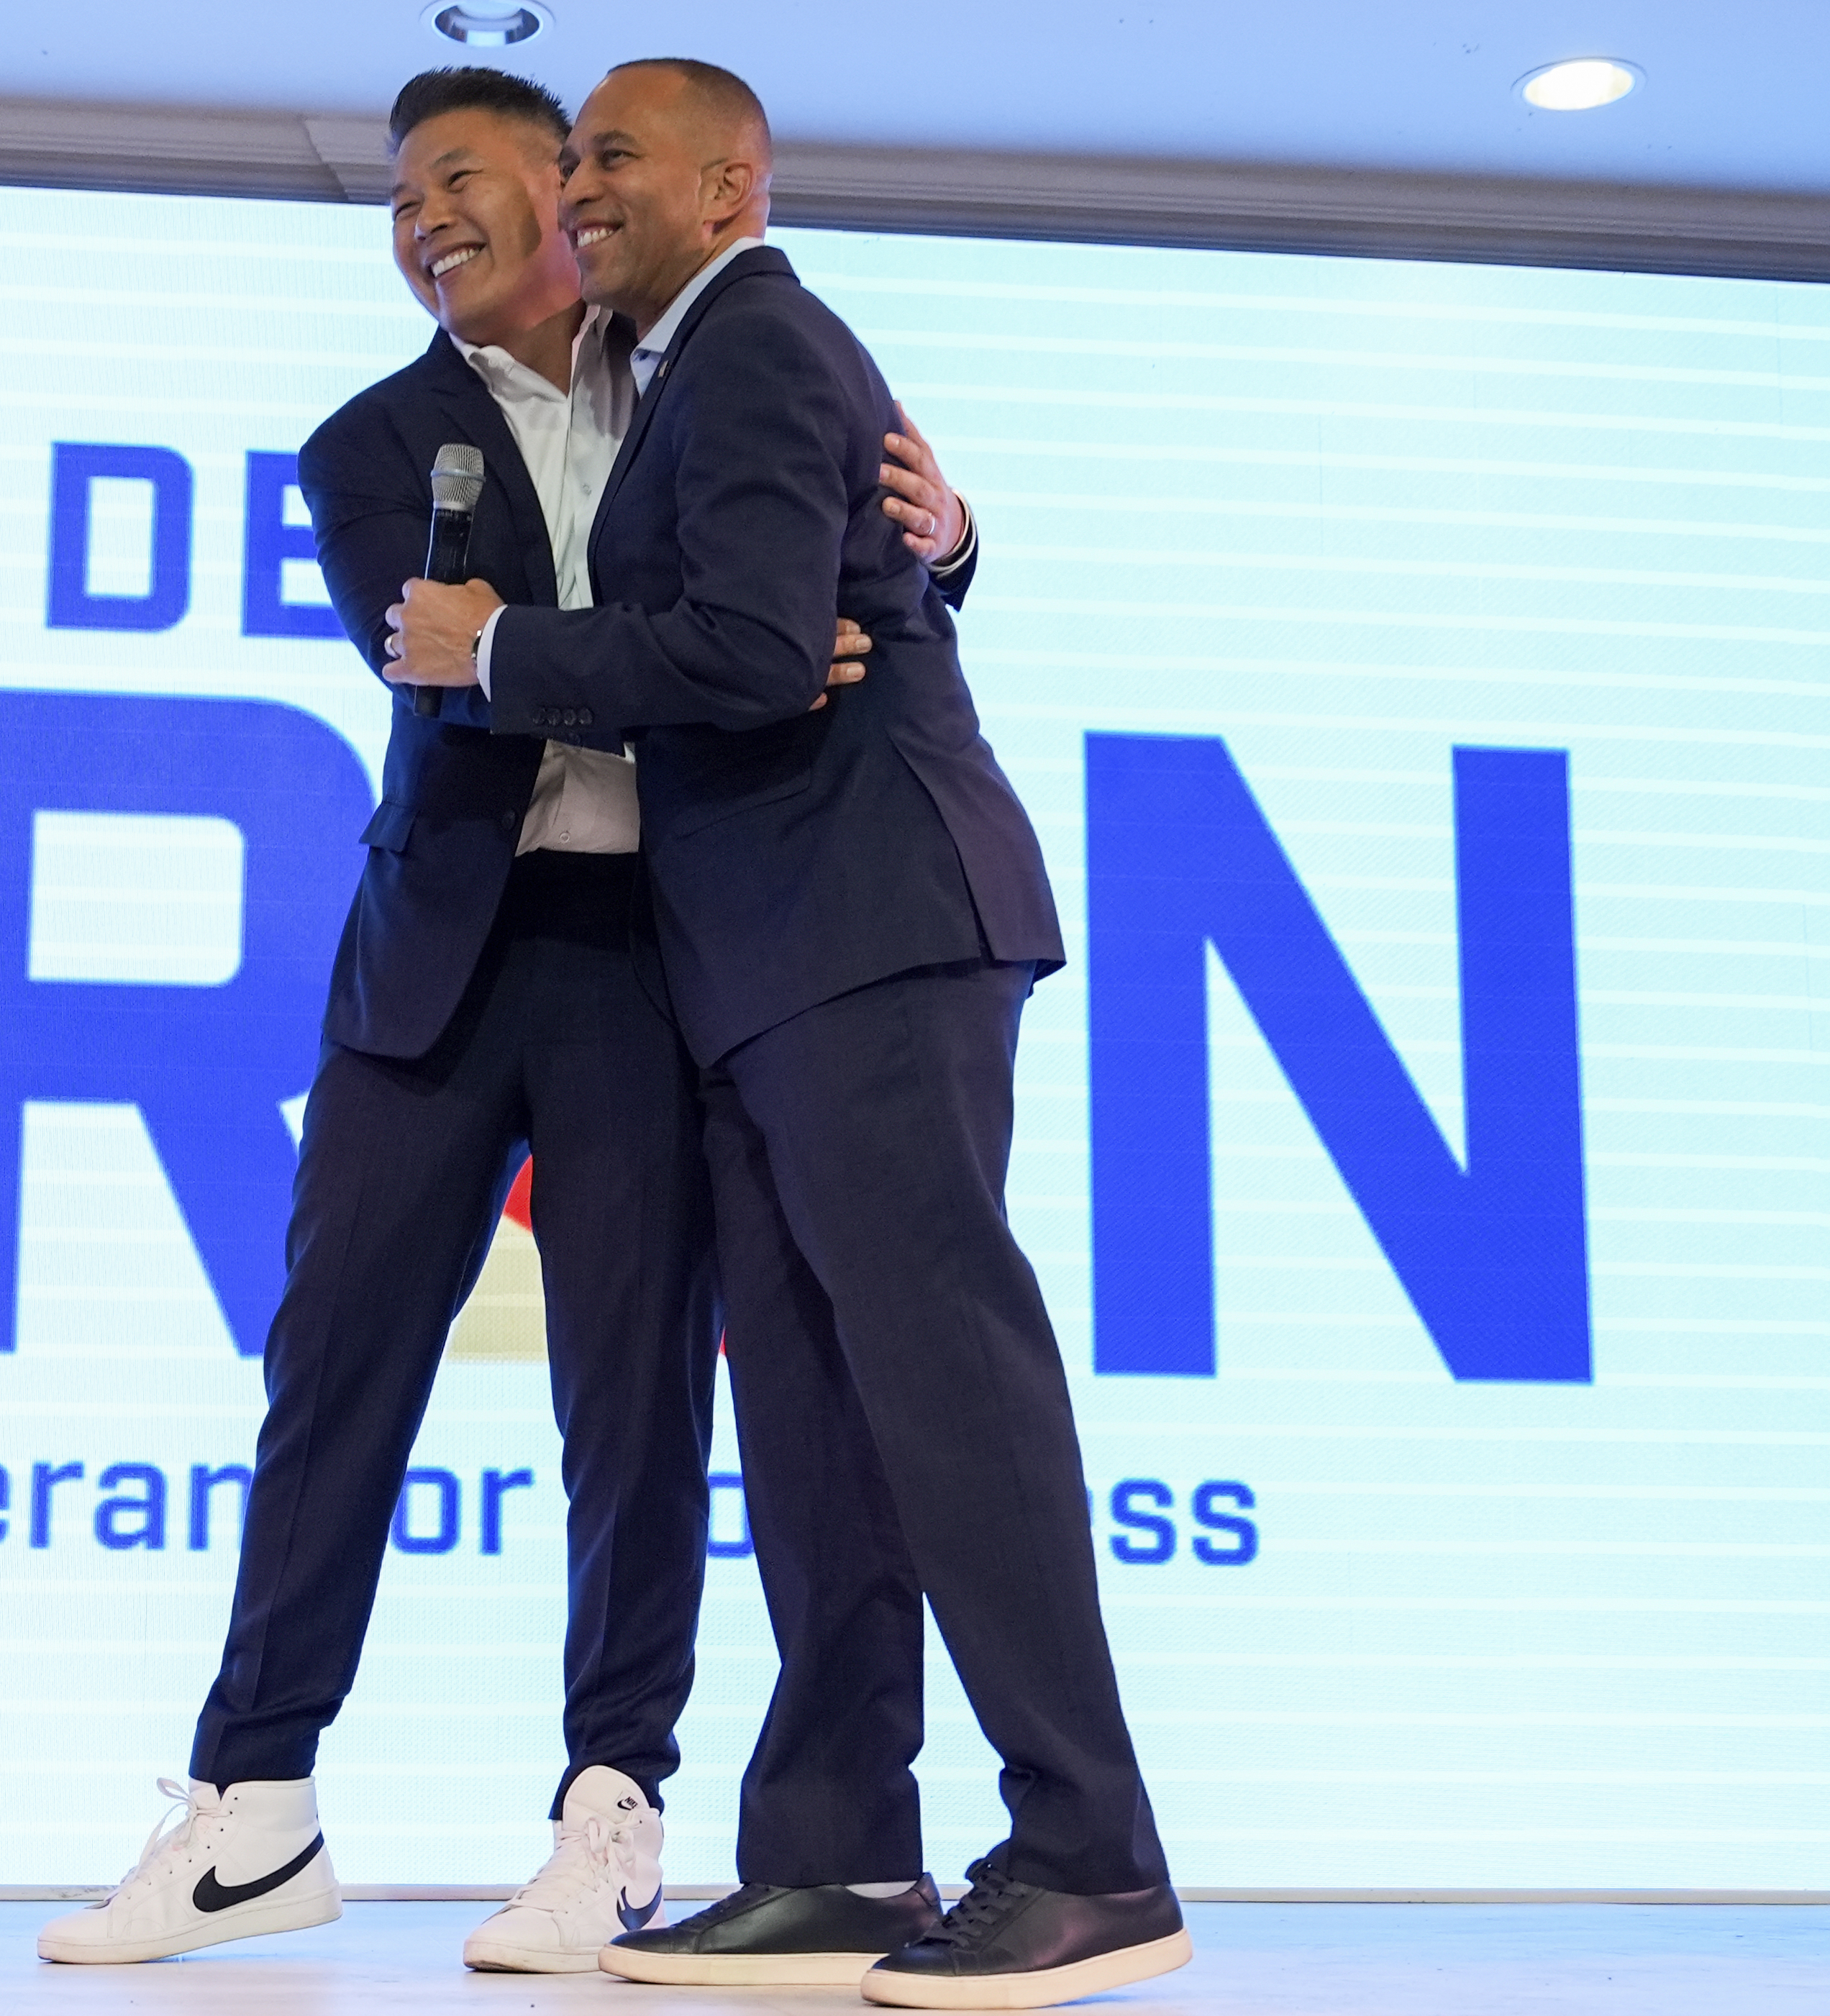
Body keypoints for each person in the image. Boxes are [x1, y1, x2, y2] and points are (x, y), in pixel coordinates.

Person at [38, 65, 978, 1976]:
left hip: (652, 953)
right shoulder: (369, 444)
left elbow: (844, 578)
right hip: (434, 967)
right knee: (334, 1382)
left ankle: (609, 1809)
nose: (417, 222)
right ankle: (250, 1807)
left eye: (453, 178)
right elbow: (461, 675)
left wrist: (944, 546)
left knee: (631, 1406)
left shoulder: (713, 369)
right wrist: (750, 659)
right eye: (396, 202)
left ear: (569, 183)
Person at [386, 58, 1192, 2012]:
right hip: (756, 966)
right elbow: (778, 620)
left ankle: (1092, 1853)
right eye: (567, 154)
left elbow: (756, 651)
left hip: (865, 927)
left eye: (611, 155)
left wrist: (491, 650)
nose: (576, 185)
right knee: (819, 1423)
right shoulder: (692, 369)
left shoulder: (755, 342)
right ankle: (833, 1850)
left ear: (733, 183)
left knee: (943, 1382)